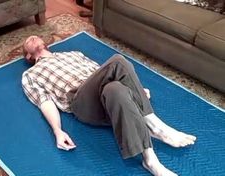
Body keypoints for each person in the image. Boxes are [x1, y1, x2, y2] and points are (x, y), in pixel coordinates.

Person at [22, 35, 196, 176]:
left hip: (105, 94)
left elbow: (104, 72)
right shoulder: (30, 74)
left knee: (115, 88)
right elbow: (44, 102)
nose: (33, 38)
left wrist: (135, 90)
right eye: (28, 41)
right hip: (80, 101)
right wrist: (57, 131)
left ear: (45, 43)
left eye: (35, 37)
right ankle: (156, 126)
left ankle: (150, 160)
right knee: (118, 60)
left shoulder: (72, 53)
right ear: (28, 56)